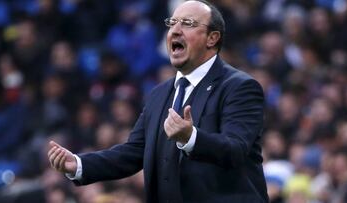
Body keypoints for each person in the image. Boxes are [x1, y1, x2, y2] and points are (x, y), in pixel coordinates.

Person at [48, 0, 269, 202]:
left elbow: (235, 149)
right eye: (172, 23)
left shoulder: (239, 87)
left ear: (212, 38)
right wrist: (79, 164)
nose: (175, 30)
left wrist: (191, 138)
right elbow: (133, 153)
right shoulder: (159, 94)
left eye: (188, 23)